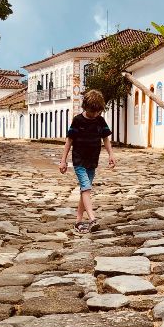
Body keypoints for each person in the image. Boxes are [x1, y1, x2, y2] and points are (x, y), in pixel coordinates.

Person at [59, 89, 116, 233]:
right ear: (85, 107)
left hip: (92, 161)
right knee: (86, 188)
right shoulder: (78, 120)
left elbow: (106, 139)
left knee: (85, 191)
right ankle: (92, 219)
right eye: (92, 112)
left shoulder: (100, 120)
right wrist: (63, 160)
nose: (95, 114)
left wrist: (111, 155)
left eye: (97, 112)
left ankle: (78, 221)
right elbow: (69, 140)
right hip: (79, 160)